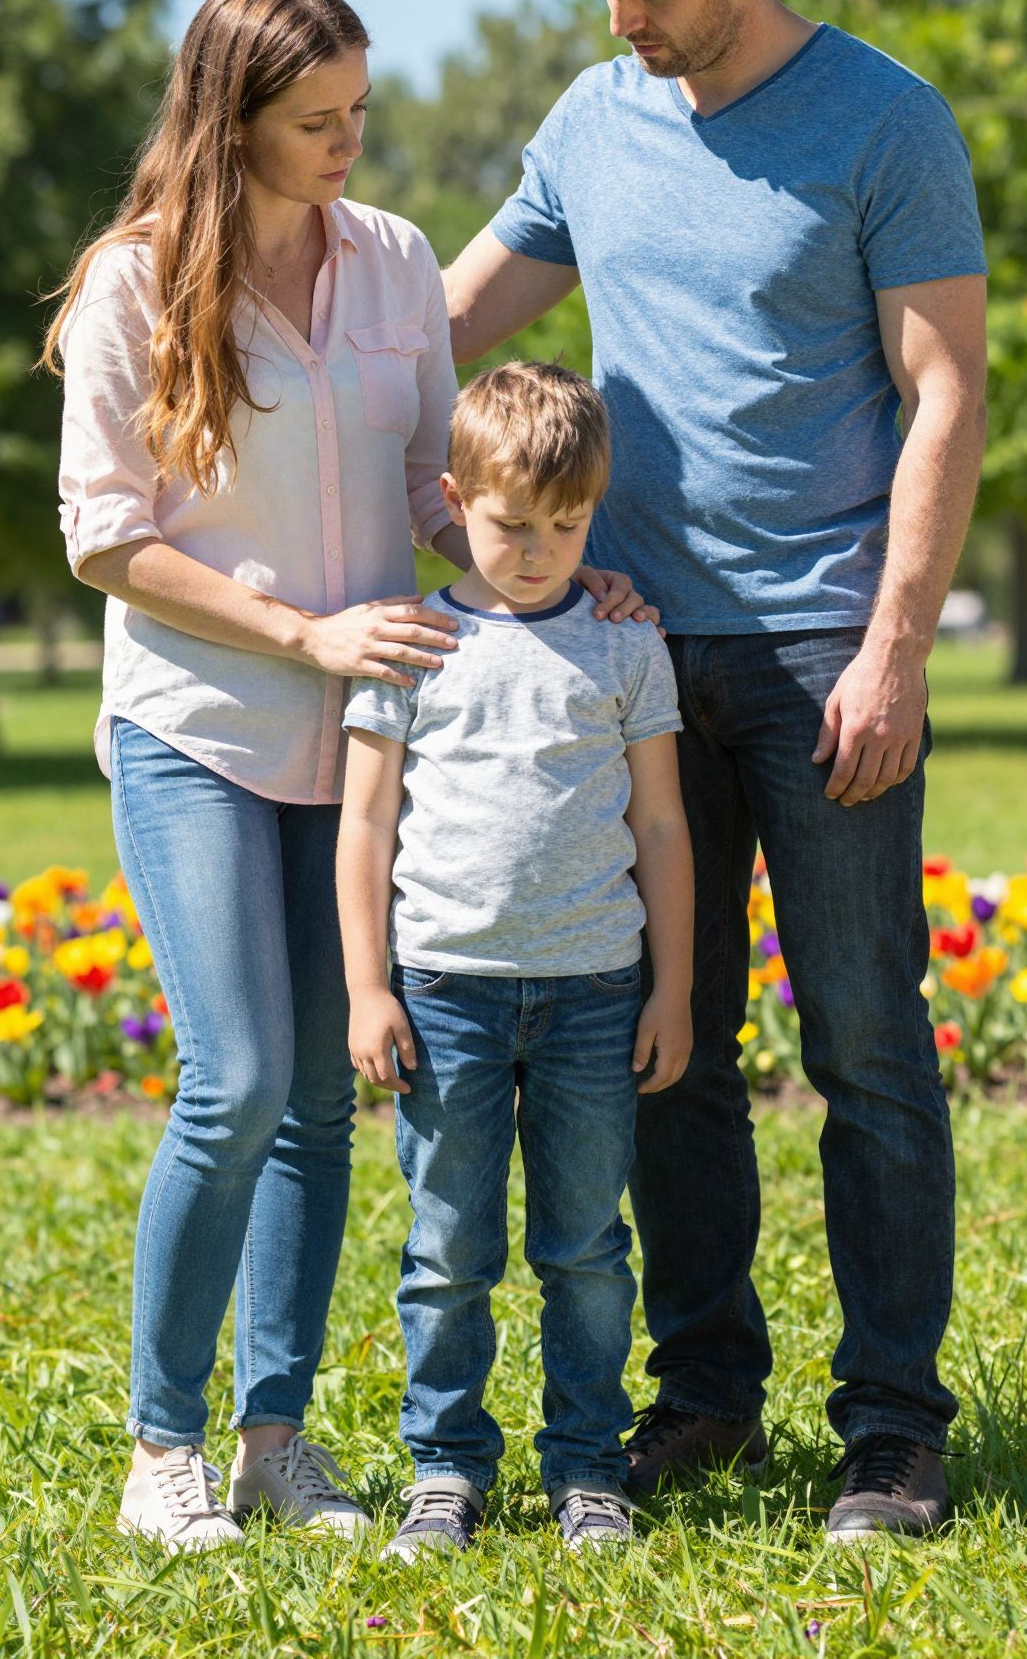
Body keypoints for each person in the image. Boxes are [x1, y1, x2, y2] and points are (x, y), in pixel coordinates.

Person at [45, 0, 645, 1553]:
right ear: (228, 118)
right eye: (317, 122)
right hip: (203, 725)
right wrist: (300, 635)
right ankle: (160, 1443)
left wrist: (563, 578)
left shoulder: (388, 267)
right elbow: (107, 539)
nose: (349, 145)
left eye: (358, 113)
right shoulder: (135, 285)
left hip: (375, 740)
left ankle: (274, 1439)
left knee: (317, 1100)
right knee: (237, 1078)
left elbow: (436, 486)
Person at [443, 0, 989, 1541]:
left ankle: (891, 1426)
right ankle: (703, 1392)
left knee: (867, 1044)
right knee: (662, 1040)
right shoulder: (590, 123)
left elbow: (945, 391)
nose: (621, 19)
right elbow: (440, 324)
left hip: (827, 645)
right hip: (637, 653)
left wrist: (894, 647)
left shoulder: (883, 119)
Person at [337, 363, 695, 1558]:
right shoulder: (413, 643)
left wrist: (675, 990)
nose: (538, 549)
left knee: (587, 1245)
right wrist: (368, 985)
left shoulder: (626, 648)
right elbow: (368, 823)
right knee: (448, 1247)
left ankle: (590, 1465)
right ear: (453, 497)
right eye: (508, 523)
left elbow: (659, 827)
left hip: (597, 991)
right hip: (445, 995)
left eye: (566, 524)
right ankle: (446, 1467)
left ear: (595, 510)